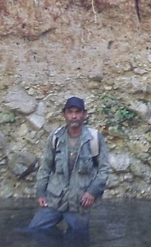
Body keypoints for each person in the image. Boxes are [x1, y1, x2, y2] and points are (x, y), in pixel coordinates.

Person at [24, 96, 110, 236]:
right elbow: (45, 167)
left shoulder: (94, 138)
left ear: (84, 114)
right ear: (64, 114)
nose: (74, 116)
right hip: (54, 200)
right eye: (70, 112)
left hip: (79, 203)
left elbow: (104, 169)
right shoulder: (56, 137)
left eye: (77, 112)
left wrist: (92, 192)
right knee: (33, 232)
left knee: (79, 242)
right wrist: (40, 192)